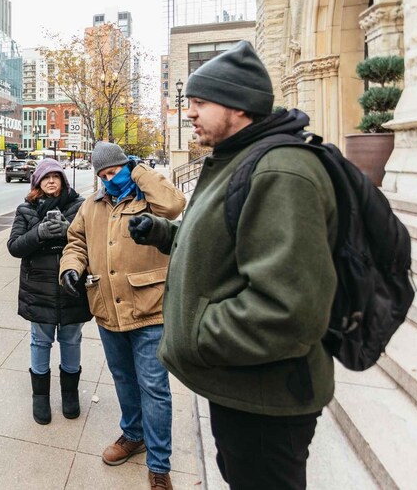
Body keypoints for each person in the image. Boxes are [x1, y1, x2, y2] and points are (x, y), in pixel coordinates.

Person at [128, 41, 338, 490]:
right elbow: (228, 237)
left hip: (268, 402)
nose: (190, 113)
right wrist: (165, 233)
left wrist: (196, 333)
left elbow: (289, 309)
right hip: (242, 387)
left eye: (200, 103)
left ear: (238, 106)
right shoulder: (238, 160)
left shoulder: (279, 171)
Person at [60, 141, 186, 490]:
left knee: (154, 387)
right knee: (123, 379)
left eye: (113, 172)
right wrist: (71, 267)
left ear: (127, 167)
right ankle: (133, 435)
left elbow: (175, 205)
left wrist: (139, 170)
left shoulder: (149, 197)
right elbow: (76, 242)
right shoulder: (92, 205)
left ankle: (159, 465)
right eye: (101, 175)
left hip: (149, 307)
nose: (107, 180)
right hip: (107, 307)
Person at [7, 159, 89, 425]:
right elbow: (15, 246)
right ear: (38, 182)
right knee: (40, 341)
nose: (51, 181)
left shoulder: (80, 206)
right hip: (38, 287)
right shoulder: (26, 209)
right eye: (46, 177)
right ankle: (40, 396)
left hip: (71, 286)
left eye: (56, 176)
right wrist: (40, 232)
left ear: (64, 181)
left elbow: (92, 243)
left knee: (71, 339)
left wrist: (69, 232)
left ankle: (69, 393)